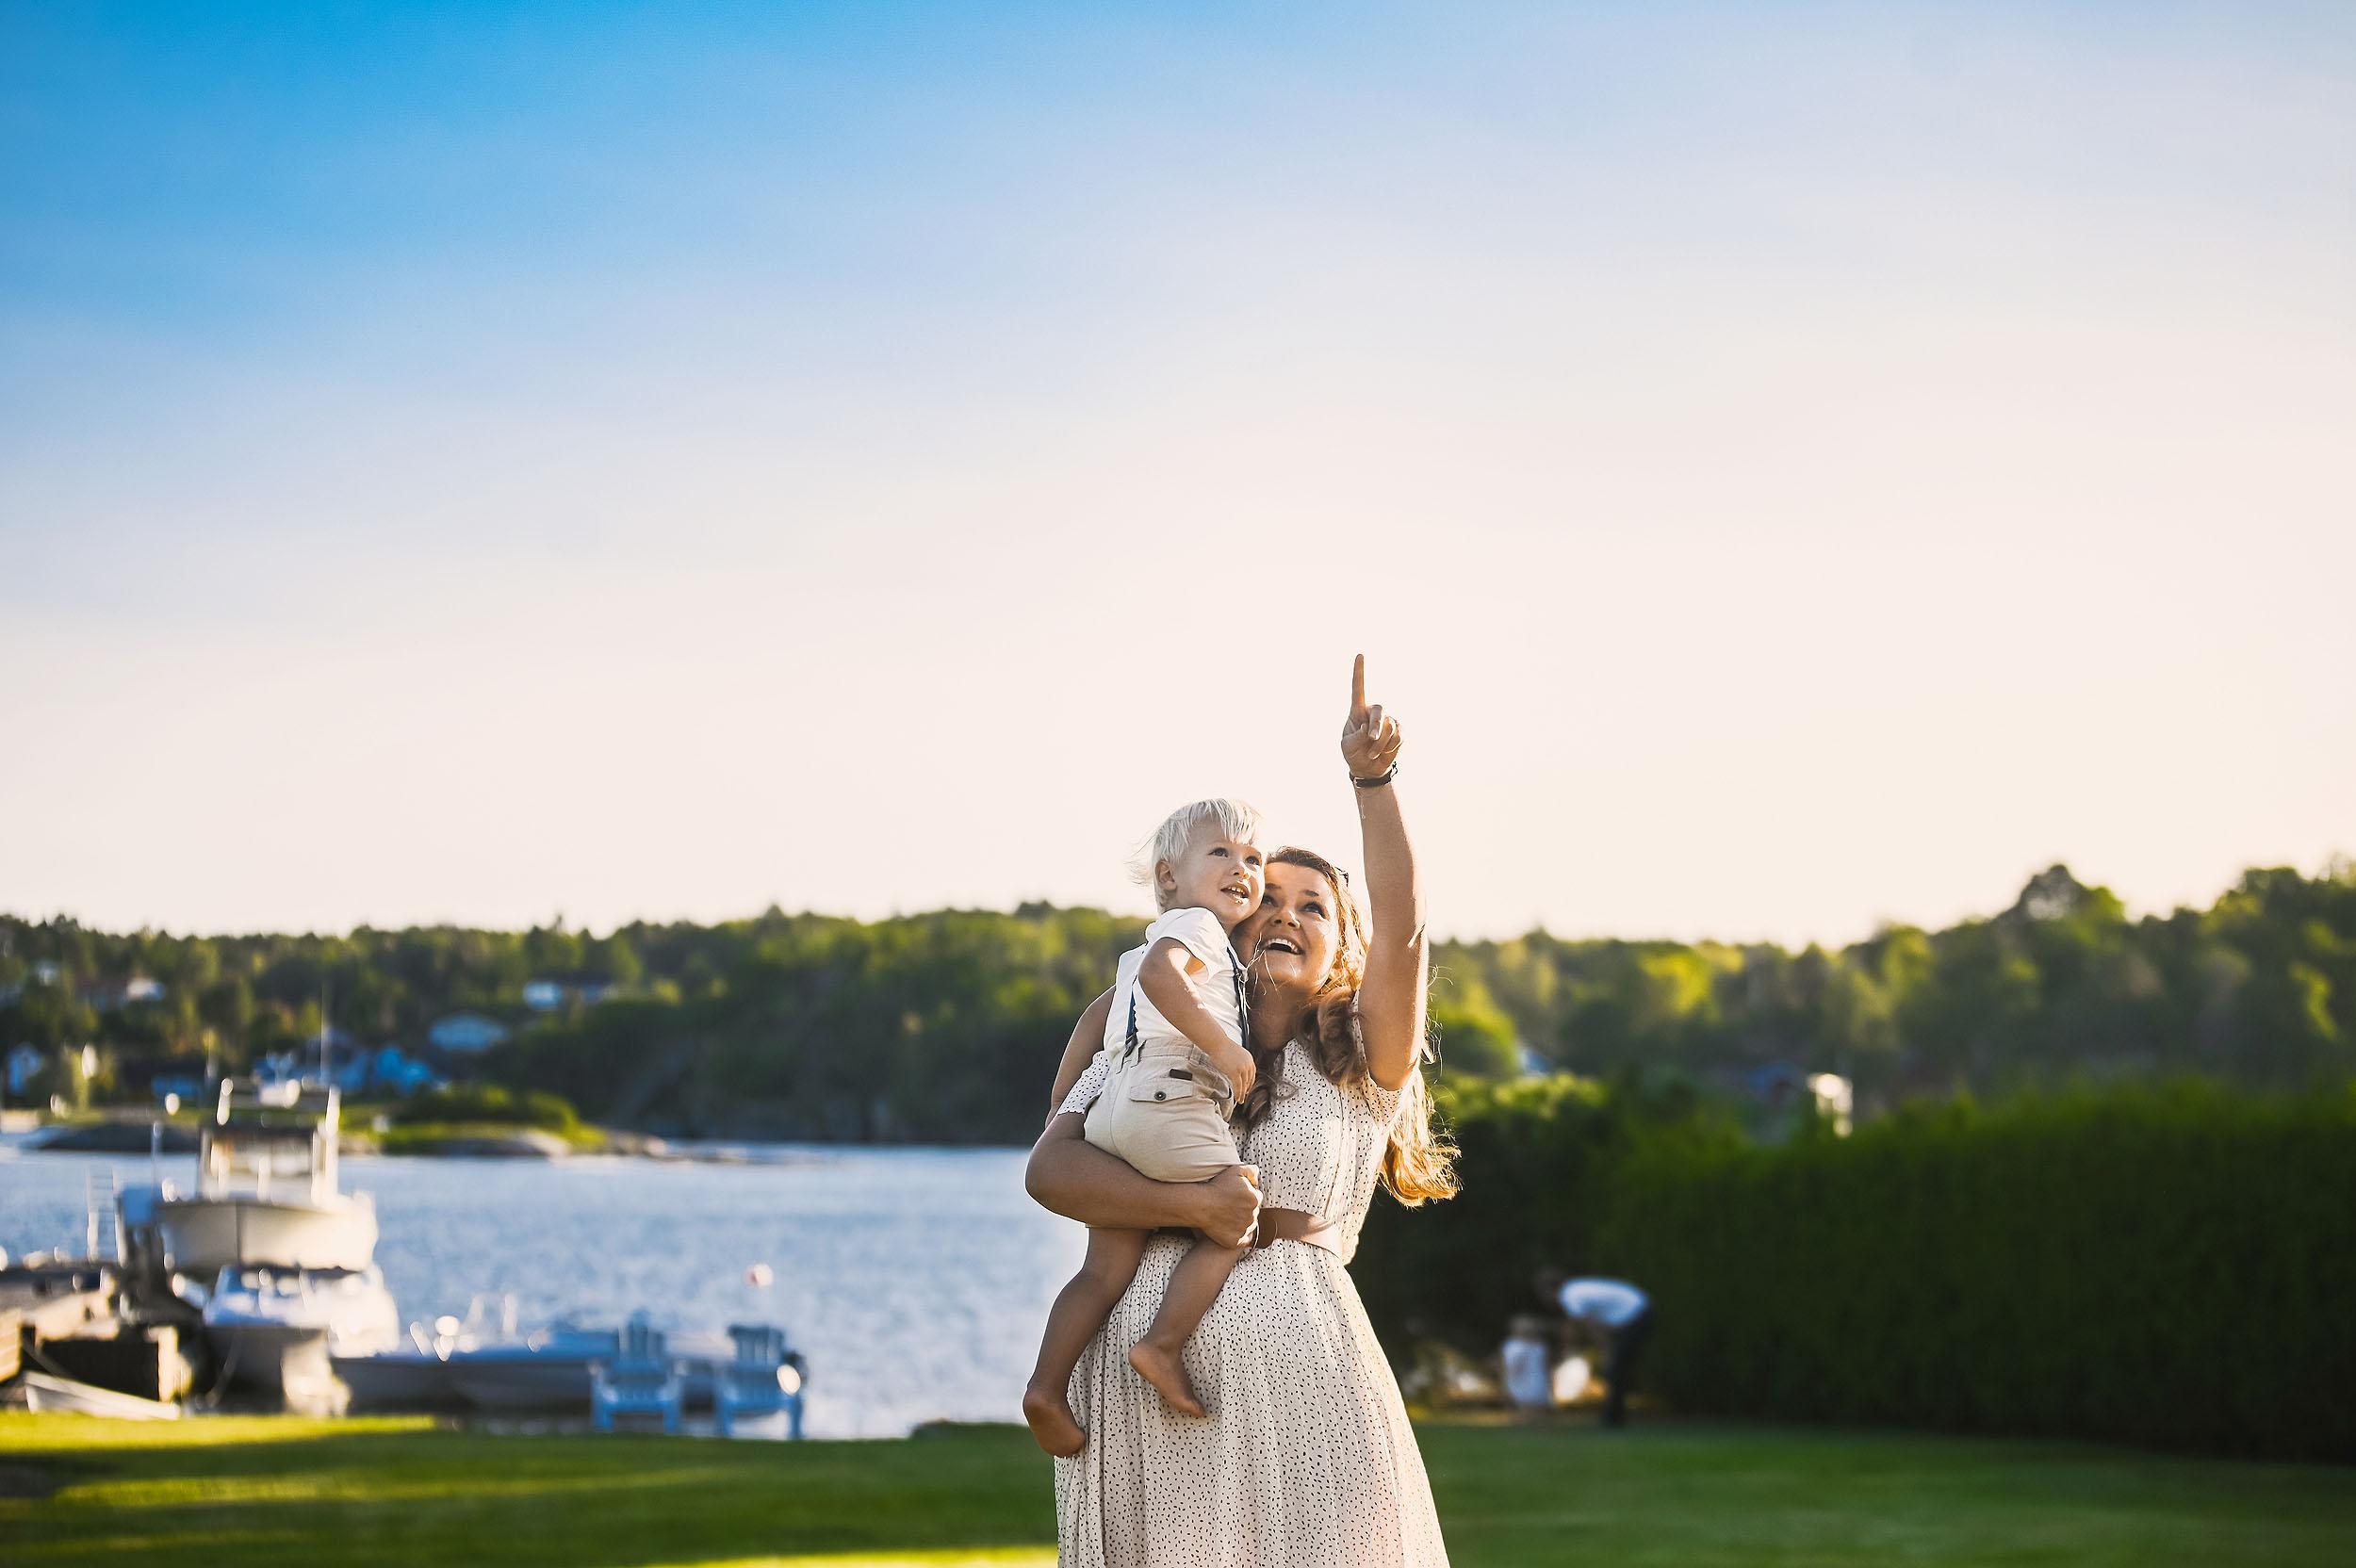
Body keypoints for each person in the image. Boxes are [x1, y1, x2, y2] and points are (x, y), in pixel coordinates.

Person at [1027, 655, 1459, 1568]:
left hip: (1304, 1369)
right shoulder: (1131, 1021)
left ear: (1344, 945)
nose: (1287, 913)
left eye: (1315, 906)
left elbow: (1407, 922)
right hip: (1137, 1385)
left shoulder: (1360, 1053)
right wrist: (1191, 1206)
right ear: (1224, 915)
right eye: (1267, 895)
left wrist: (1371, 779)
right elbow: (1053, 1169)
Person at [1022, 798, 1269, 1456]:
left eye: (1253, 858)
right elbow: (1167, 979)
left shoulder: (1136, 953)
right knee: (1234, 1211)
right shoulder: (1197, 931)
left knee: (1104, 1269)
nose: (1242, 868)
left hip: (1116, 1105)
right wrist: (1224, 1046)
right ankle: (1161, 1345)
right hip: (1173, 1091)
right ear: (1168, 878)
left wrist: (1060, 1101)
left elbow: (1094, 1021)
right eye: (1220, 853)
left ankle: (1045, 1388)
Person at [1546, 1273, 1652, 1429]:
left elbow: (1591, 1327)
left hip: (1637, 1313)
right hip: (1638, 1310)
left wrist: (1606, 1351)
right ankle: (1613, 1416)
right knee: (1618, 1367)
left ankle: (1613, 1419)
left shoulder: (1570, 1296)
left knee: (1617, 1367)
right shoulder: (1577, 1288)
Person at [1499, 1315, 1555, 1413]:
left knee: (1537, 1412)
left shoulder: (1540, 1346)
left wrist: (1550, 1387)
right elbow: (1507, 1367)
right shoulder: (1512, 1346)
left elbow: (1546, 1366)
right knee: (1524, 1411)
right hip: (1519, 1383)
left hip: (1538, 1382)